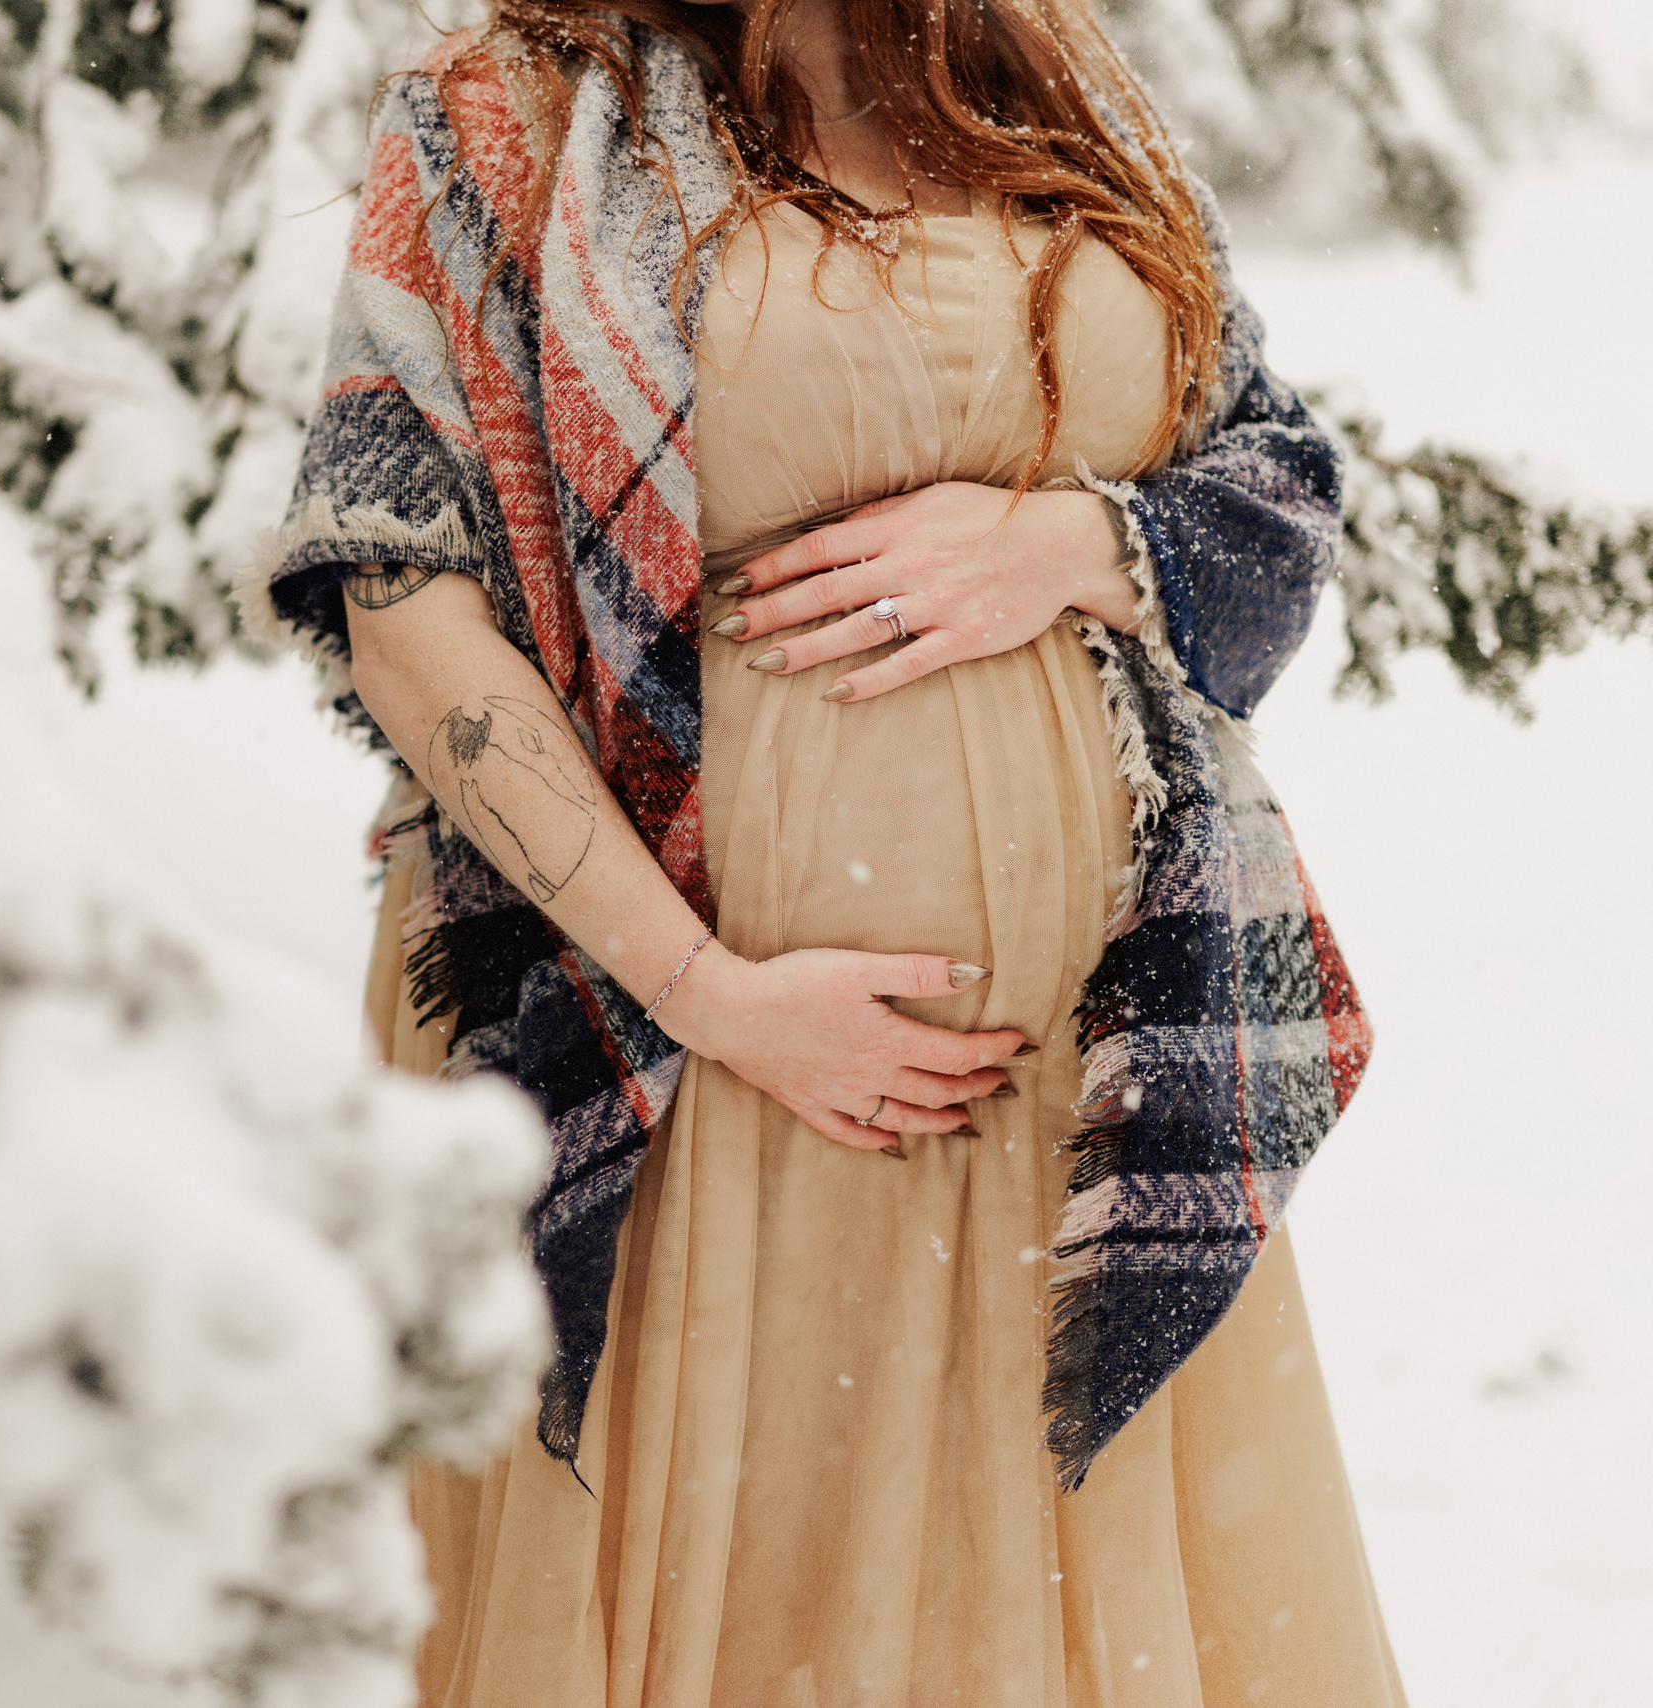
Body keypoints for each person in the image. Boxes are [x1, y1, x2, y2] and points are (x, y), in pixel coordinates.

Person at [249, 0, 1404, 1699]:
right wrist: (708, 989)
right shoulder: (512, 116)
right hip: (693, 1067)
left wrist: (1078, 539)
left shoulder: (1049, 80)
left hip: (1076, 1088)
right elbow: (394, 594)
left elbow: (1275, 484)